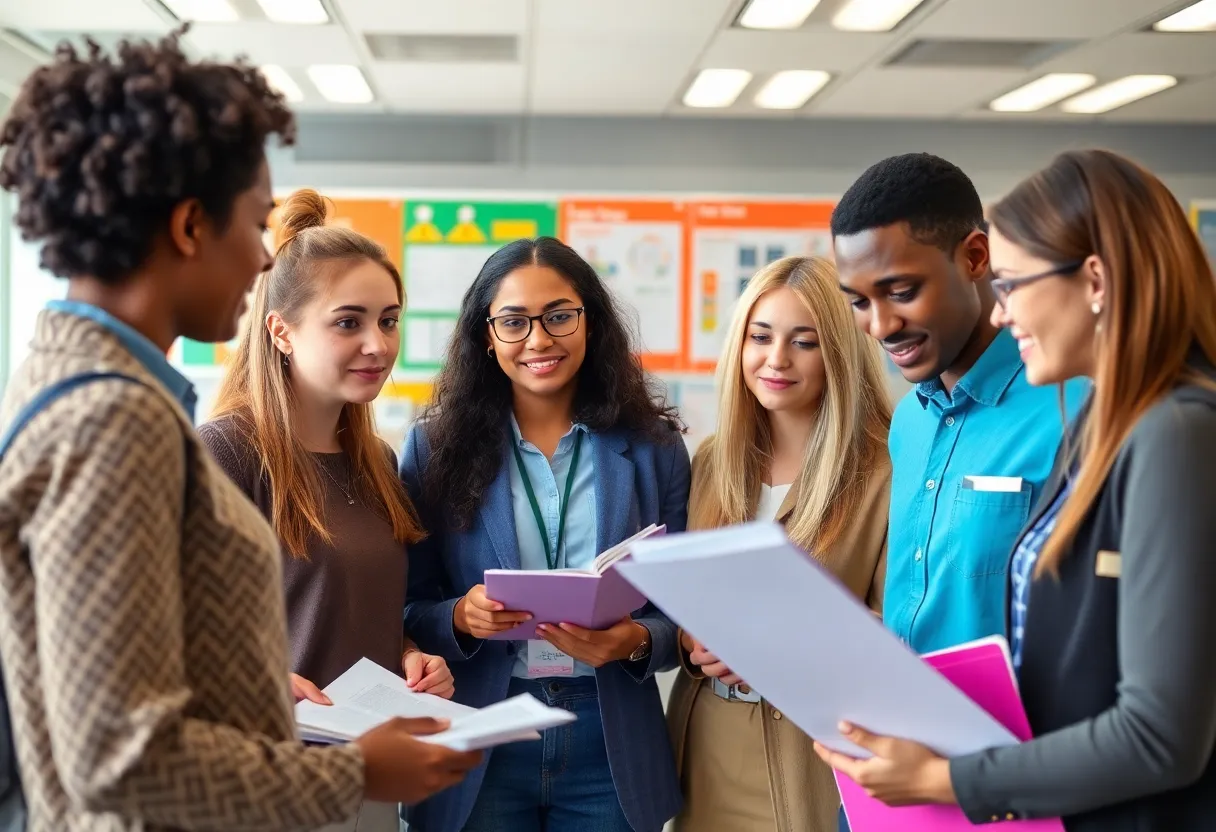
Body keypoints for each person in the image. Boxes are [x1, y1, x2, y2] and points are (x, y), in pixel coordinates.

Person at [0, 32, 480, 831]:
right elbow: (123, 756)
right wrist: (354, 771)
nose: (264, 262)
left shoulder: (84, 385)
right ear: (191, 226)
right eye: (255, 226)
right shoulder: (113, 419)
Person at [815, 149, 1216, 831]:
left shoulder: (1169, 430)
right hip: (984, 785)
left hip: (1050, 795)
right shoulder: (1106, 422)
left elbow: (1157, 731)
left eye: (1013, 285)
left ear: (1094, 280)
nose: (1002, 314)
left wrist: (949, 779)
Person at [399, 236, 690, 832]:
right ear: (486, 335)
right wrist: (459, 617)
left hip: (607, 740)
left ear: (591, 322)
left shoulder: (654, 447)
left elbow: (680, 613)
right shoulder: (434, 449)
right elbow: (406, 606)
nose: (538, 339)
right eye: (514, 321)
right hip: (482, 725)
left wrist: (633, 640)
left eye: (559, 316)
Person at [199, 188, 456, 830]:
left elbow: (353, 608)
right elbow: (169, 631)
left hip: (366, 776)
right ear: (281, 331)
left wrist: (408, 654)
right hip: (265, 781)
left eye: (389, 320)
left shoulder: (377, 464)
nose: (378, 344)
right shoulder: (226, 452)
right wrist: (252, 683)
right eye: (349, 322)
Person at [665, 255, 892, 832]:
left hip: (815, 759)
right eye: (760, 336)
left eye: (804, 342)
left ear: (838, 354)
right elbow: (690, 600)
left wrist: (777, 643)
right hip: (708, 745)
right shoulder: (715, 461)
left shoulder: (885, 467)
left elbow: (901, 626)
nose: (776, 359)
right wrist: (696, 636)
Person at [832, 152, 1087, 656]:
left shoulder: (1077, 407)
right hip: (909, 726)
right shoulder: (909, 419)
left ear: (974, 258)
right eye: (859, 301)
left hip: (1022, 733)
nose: (880, 327)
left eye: (901, 292)